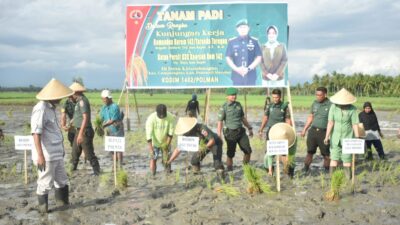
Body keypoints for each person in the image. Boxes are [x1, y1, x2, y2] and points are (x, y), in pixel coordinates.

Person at [31, 78, 73, 213]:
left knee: (62, 181)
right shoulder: (41, 109)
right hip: (46, 155)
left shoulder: (52, 108)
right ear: (52, 97)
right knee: (45, 183)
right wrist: (40, 156)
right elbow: (36, 133)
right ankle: (43, 212)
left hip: (56, 153)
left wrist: (61, 150)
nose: (60, 99)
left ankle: (63, 207)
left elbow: (54, 131)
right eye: (58, 97)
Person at [324, 88, 360, 179]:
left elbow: (355, 124)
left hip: (348, 138)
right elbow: (330, 122)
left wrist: (357, 137)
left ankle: (348, 179)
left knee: (347, 160)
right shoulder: (333, 107)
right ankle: (332, 180)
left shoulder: (353, 109)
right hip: (335, 138)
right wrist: (327, 136)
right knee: (334, 158)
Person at [258, 88, 294, 177]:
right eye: (273, 97)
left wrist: (290, 130)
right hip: (271, 131)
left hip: (281, 131)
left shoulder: (284, 106)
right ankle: (270, 170)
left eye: (277, 97)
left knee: (283, 153)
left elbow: (288, 119)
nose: (275, 99)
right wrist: (261, 129)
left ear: (280, 97)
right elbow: (265, 118)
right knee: (269, 152)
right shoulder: (269, 106)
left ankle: (287, 171)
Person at [217, 87, 253, 171]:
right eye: (232, 95)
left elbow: (242, 118)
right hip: (230, 133)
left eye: (235, 95)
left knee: (248, 150)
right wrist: (219, 135)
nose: (234, 96)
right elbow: (220, 122)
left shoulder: (238, 105)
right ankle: (229, 169)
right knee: (230, 153)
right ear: (227, 96)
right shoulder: (224, 107)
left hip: (240, 131)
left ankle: (246, 168)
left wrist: (249, 128)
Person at [69, 82, 100, 175]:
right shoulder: (78, 102)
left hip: (85, 131)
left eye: (71, 94)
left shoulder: (82, 101)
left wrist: (81, 134)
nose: (70, 97)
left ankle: (97, 172)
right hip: (79, 130)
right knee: (74, 153)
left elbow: (85, 118)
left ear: (76, 92)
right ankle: (71, 171)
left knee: (89, 154)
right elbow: (79, 116)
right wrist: (71, 123)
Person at [301, 87, 332, 173]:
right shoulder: (314, 103)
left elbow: (332, 121)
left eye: (320, 95)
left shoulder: (331, 105)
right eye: (316, 95)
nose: (317, 97)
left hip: (324, 132)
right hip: (313, 131)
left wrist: (329, 135)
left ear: (325, 95)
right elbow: (310, 117)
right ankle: (306, 169)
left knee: (326, 154)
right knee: (310, 152)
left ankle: (327, 170)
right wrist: (304, 129)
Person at [226, 19, 262, 86]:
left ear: (248, 28)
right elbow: (228, 58)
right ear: (237, 29)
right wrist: (236, 69)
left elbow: (259, 57)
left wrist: (248, 69)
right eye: (240, 27)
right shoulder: (232, 42)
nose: (243, 29)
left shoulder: (254, 41)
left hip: (250, 75)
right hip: (236, 75)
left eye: (245, 27)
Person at [146, 104, 175, 175]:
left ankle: (168, 173)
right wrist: (151, 149)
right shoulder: (151, 119)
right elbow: (148, 136)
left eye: (163, 115)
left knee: (167, 158)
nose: (162, 117)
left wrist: (166, 146)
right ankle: (153, 174)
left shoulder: (170, 117)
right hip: (154, 142)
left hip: (165, 142)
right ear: (157, 113)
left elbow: (170, 134)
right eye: (160, 115)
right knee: (153, 158)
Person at [100, 90, 125, 166]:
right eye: (103, 99)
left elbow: (113, 120)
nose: (103, 100)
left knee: (118, 149)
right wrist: (98, 125)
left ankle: (120, 165)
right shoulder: (104, 108)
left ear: (109, 98)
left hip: (117, 129)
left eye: (104, 99)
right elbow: (101, 118)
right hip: (109, 130)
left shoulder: (115, 107)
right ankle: (114, 165)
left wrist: (103, 126)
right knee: (111, 149)